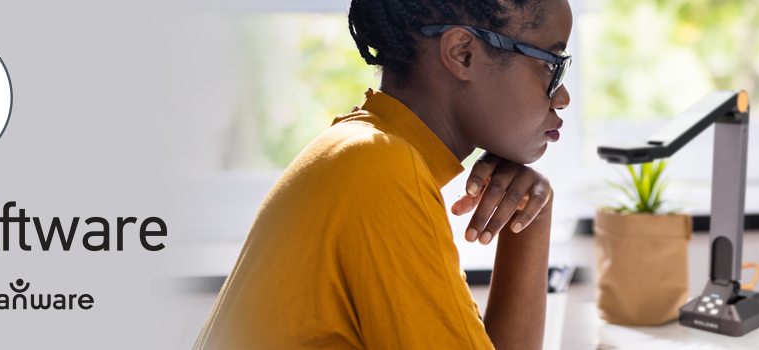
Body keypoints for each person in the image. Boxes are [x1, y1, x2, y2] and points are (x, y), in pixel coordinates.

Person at [195, 0, 573, 348]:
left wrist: (530, 220)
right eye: (552, 65)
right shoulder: (381, 168)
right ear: (463, 54)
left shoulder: (357, 149)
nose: (563, 97)